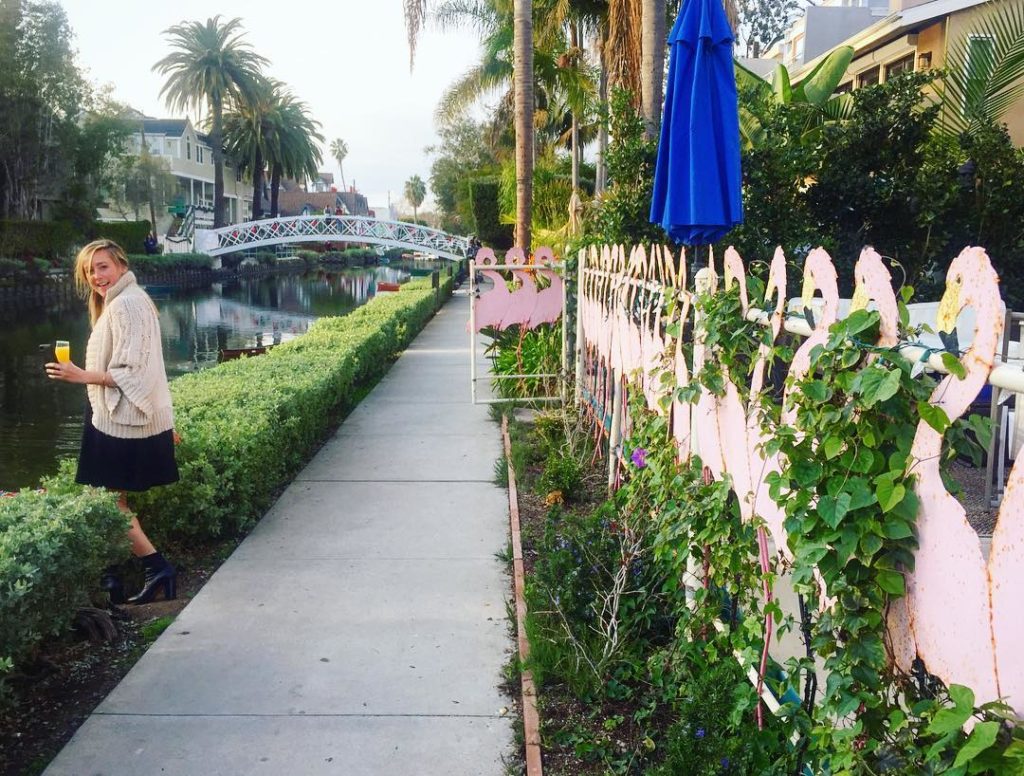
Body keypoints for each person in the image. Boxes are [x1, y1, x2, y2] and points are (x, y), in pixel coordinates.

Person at [45, 239, 179, 605]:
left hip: (120, 419)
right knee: (108, 498)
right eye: (89, 270)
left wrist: (80, 375)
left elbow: (132, 372)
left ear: (121, 265)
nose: (96, 276)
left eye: (103, 266)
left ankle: (156, 568)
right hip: (113, 414)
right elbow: (151, 368)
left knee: (108, 501)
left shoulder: (126, 305)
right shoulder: (124, 301)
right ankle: (112, 579)